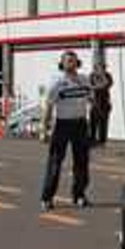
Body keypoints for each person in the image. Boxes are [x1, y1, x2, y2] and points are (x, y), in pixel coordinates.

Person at [39, 51, 93, 209]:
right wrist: (44, 128)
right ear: (62, 64)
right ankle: (47, 198)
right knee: (55, 162)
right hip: (63, 125)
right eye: (68, 61)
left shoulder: (84, 80)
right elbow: (48, 106)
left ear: (78, 62)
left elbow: (91, 97)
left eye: (74, 60)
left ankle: (79, 195)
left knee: (82, 162)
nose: (71, 63)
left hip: (81, 124)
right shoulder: (57, 82)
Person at [89, 58, 114, 146]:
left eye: (102, 67)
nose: (100, 69)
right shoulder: (92, 76)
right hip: (95, 103)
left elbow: (107, 84)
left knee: (103, 123)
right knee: (93, 123)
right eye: (98, 67)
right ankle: (92, 140)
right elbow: (90, 87)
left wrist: (102, 76)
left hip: (105, 103)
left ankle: (102, 141)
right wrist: (97, 86)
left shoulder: (107, 75)